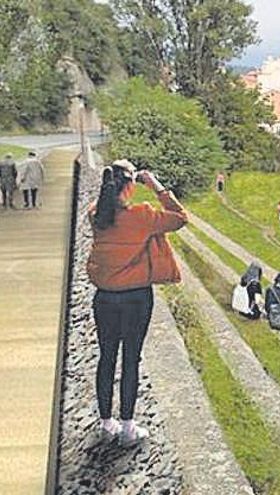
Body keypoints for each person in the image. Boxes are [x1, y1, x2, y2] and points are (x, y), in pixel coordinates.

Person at [86, 159, 187, 447]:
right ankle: (128, 428)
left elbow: (105, 204)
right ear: (131, 186)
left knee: (106, 358)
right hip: (135, 298)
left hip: (104, 297)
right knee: (131, 359)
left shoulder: (96, 215)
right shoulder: (142, 216)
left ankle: (106, 424)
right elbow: (180, 217)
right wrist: (154, 184)